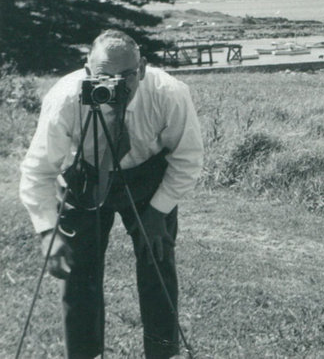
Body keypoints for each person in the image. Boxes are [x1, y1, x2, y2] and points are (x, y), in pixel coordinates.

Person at [19, 29, 204, 359]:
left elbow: (188, 158)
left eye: (128, 75)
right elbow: (38, 169)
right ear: (87, 71)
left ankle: (163, 354)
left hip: (147, 176)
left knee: (157, 261)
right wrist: (48, 231)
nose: (118, 85)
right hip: (86, 174)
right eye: (105, 77)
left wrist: (157, 212)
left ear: (142, 68)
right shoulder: (65, 98)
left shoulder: (169, 93)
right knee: (78, 275)